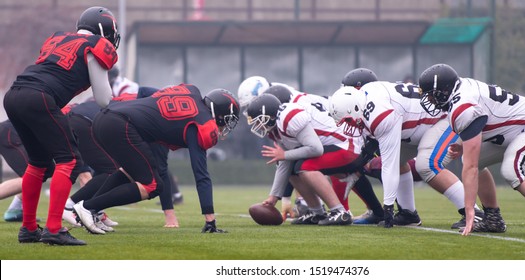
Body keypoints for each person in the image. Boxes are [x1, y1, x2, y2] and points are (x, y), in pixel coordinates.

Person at [417, 63, 525, 237]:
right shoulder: (461, 92)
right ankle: (493, 219)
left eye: (431, 95)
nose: (430, 100)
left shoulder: (462, 106)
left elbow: (470, 169)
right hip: (515, 129)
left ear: (443, 91)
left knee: (512, 171)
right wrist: (465, 146)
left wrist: (469, 209)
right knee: (475, 161)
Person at [3, 6, 119, 245]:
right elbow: (103, 99)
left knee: (38, 163)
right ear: (105, 30)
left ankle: (28, 228)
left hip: (14, 94)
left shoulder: (58, 38)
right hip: (39, 96)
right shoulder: (96, 46)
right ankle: (54, 228)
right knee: (70, 161)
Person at [72, 85, 239, 234]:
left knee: (130, 172)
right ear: (219, 114)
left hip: (105, 119)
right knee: (153, 185)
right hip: (120, 124)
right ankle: (88, 207)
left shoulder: (190, 92)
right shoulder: (200, 122)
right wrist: (210, 221)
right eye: (228, 121)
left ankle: (93, 210)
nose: (226, 126)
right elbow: (201, 175)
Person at [328, 81, 491, 228]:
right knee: (398, 160)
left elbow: (388, 165)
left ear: (355, 107)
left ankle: (473, 212)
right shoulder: (367, 98)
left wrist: (388, 207)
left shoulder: (379, 114)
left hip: (446, 118)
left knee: (426, 164)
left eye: (347, 120)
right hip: (420, 127)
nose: (348, 125)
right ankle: (408, 213)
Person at [247, 94, 359, 225]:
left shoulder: (289, 118)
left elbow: (316, 148)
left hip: (347, 146)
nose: (258, 125)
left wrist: (285, 155)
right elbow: (284, 162)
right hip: (334, 149)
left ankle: (340, 212)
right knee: (293, 169)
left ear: (270, 116)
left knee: (304, 166)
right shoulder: (275, 128)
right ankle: (317, 213)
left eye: (259, 120)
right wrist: (274, 197)